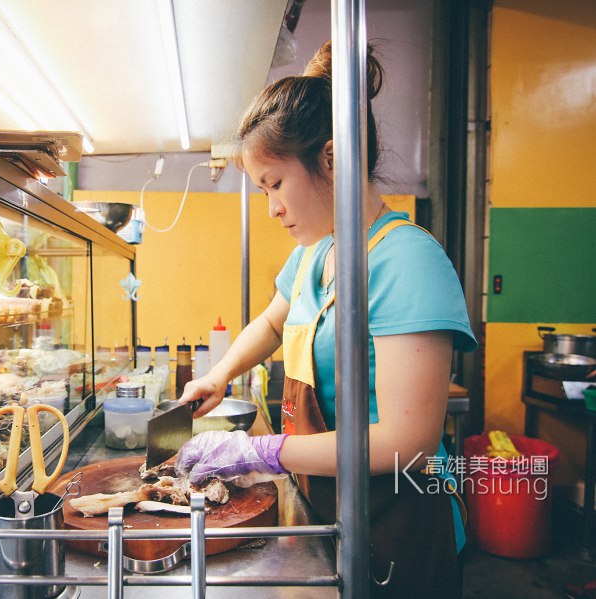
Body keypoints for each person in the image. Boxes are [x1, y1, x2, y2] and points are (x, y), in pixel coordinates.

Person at [174, 41, 476, 599]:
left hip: (397, 524)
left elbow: (409, 442)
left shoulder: (406, 261)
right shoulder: (316, 253)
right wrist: (219, 375)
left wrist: (264, 451)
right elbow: (271, 324)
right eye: (262, 190)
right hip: (332, 506)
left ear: (332, 160)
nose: (272, 208)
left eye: (275, 184)